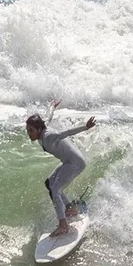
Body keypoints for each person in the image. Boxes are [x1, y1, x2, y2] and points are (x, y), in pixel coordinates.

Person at [25, 100, 96, 237]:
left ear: (39, 129)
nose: (29, 133)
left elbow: (66, 133)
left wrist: (85, 127)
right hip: (68, 161)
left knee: (56, 189)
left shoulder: (48, 136)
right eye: (28, 130)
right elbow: (48, 117)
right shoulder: (42, 127)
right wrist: (53, 106)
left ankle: (63, 225)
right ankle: (70, 209)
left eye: (31, 130)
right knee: (50, 183)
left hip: (75, 163)